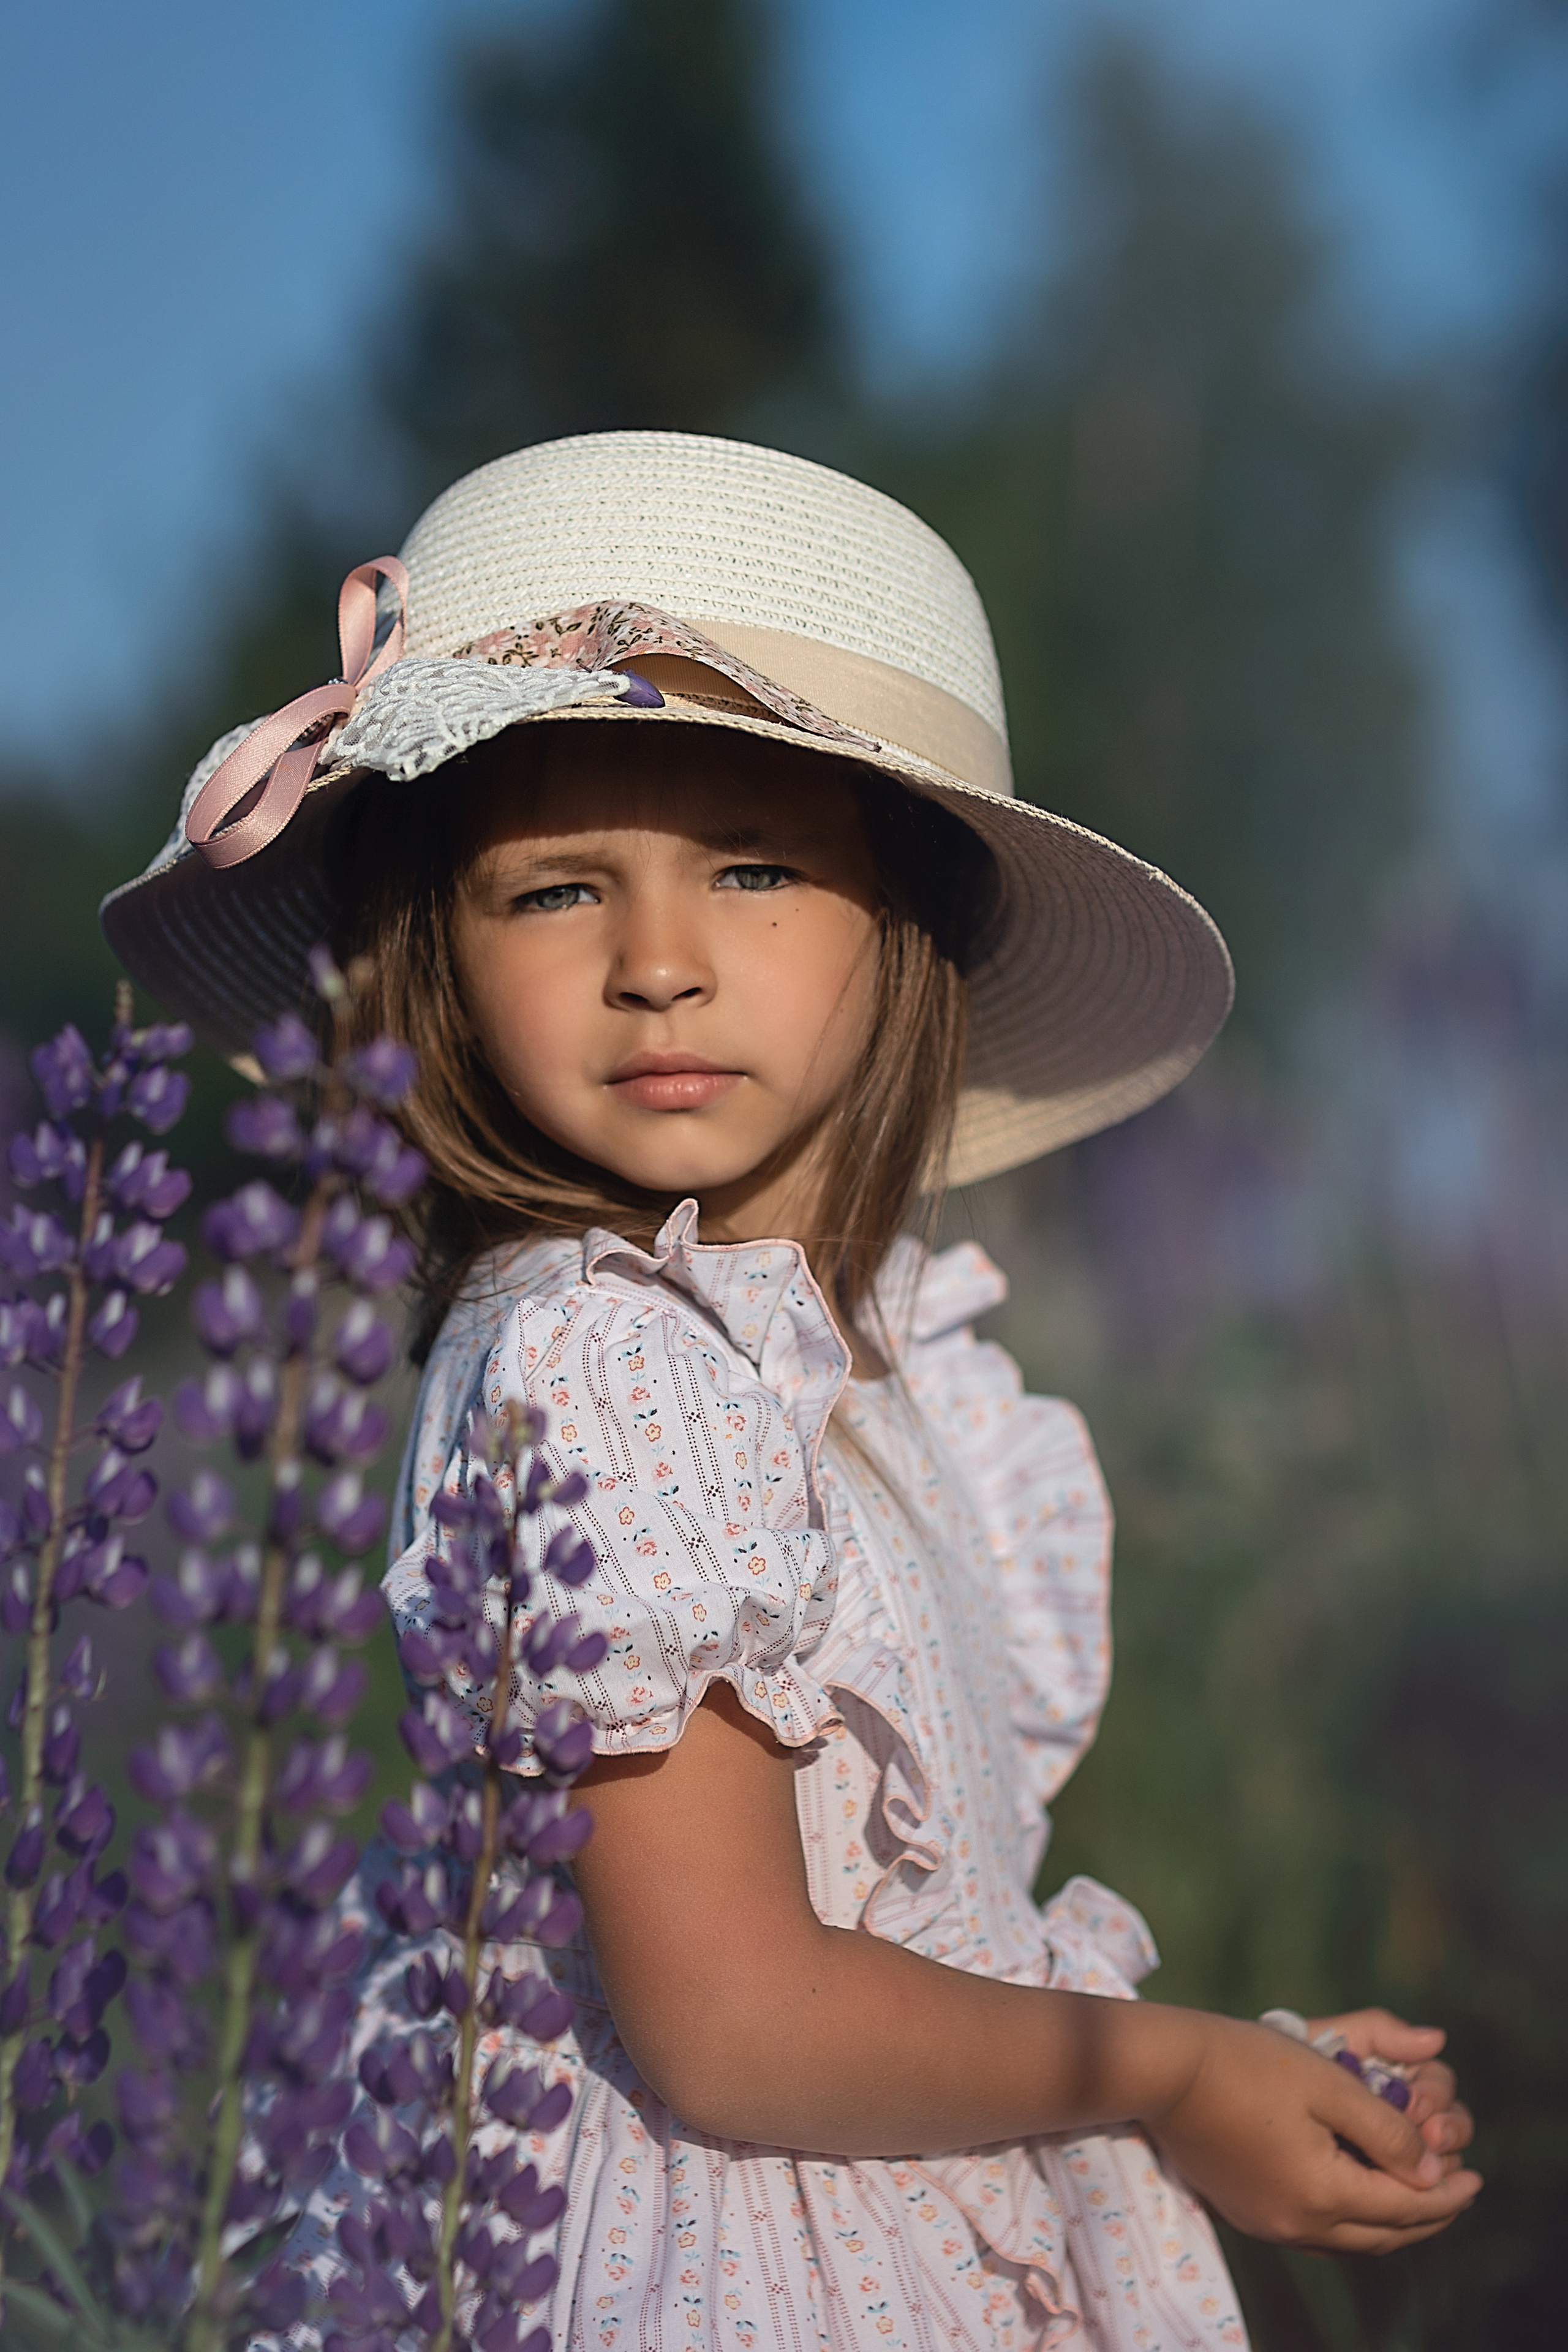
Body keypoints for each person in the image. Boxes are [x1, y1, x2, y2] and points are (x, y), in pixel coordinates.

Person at [105, 432, 1479, 2350]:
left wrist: (1220, 2069)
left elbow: (916, 1945)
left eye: (755, 866)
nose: (661, 964)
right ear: (435, 946)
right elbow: (735, 2022)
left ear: (905, 919)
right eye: (555, 889)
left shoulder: (860, 1354)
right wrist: (1162, 2075)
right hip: (712, 2273)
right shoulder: (592, 1358)